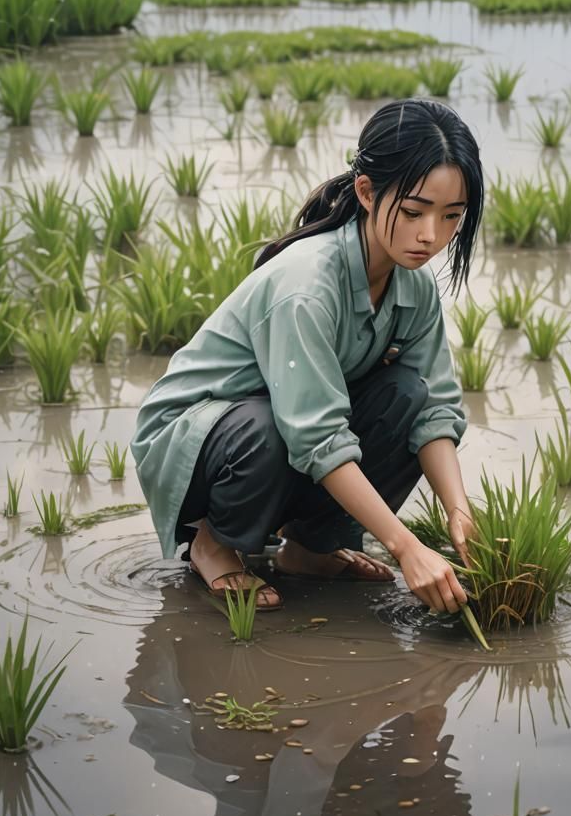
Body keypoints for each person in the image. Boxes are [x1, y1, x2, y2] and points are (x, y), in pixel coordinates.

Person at [130, 98, 484, 614]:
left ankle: (308, 549)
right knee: (271, 426)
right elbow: (313, 435)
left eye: (451, 216)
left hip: (278, 430)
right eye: (413, 211)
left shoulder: (414, 288)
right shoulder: (307, 287)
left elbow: (433, 412)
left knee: (408, 395)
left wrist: (459, 513)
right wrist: (406, 547)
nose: (431, 235)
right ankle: (212, 543)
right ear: (366, 191)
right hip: (198, 438)